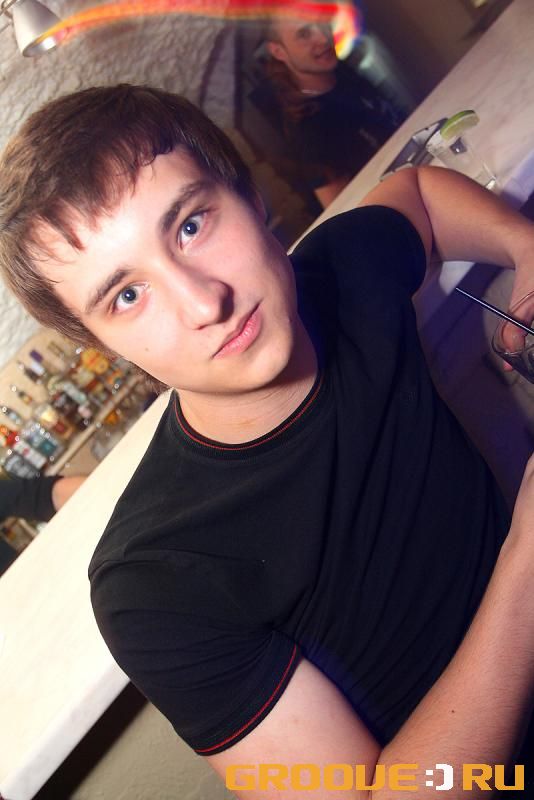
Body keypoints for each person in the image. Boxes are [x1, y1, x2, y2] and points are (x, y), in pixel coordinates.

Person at [0, 84, 533, 798]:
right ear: (102, 345)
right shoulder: (157, 583)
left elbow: (419, 195)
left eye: (191, 225)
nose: (204, 302)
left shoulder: (341, 274)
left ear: (249, 197)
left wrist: (526, 248)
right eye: (127, 295)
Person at [256, 11, 401, 208]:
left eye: (322, 23)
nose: (324, 38)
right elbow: (344, 211)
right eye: (304, 34)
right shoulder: (308, 129)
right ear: (278, 51)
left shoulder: (340, 72)